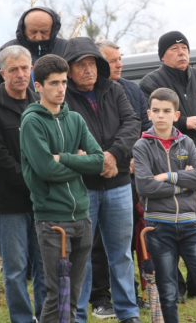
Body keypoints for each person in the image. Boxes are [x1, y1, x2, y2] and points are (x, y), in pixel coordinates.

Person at [139, 31, 196, 298]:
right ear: (163, 55)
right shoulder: (150, 83)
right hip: (163, 170)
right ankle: (173, 287)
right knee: (165, 230)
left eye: (185, 47)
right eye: (175, 48)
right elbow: (148, 119)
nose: (182, 52)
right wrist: (183, 122)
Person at [62, 37, 142, 323]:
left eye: (92, 64)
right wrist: (98, 161)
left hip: (119, 183)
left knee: (121, 253)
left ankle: (128, 313)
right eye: (80, 65)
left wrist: (113, 155)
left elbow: (132, 123)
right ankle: (78, 315)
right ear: (69, 70)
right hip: (84, 188)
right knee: (80, 256)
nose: (88, 70)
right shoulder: (64, 97)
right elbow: (65, 139)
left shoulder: (113, 90)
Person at [20, 54, 104, 323]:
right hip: (52, 219)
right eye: (53, 83)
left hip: (82, 217)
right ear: (38, 87)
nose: (60, 89)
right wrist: (80, 161)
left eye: (64, 82)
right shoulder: (32, 122)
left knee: (75, 295)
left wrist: (66, 158)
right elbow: (45, 169)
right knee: (56, 296)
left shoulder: (76, 119)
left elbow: (99, 160)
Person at [133, 87, 196, 323]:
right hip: (158, 228)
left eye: (166, 111)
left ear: (176, 114)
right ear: (149, 114)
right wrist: (184, 184)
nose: (161, 115)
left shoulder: (187, 143)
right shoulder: (142, 146)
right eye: (156, 110)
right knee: (168, 294)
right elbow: (145, 187)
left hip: (190, 226)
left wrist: (167, 177)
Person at [0, 45, 46, 323]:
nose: (20, 74)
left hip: (44, 202)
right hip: (10, 204)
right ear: (2, 72)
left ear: (32, 70)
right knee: (15, 269)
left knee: (45, 266)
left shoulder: (42, 104)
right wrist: (33, 182)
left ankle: (47, 316)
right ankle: (21, 319)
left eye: (25, 68)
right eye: (13, 69)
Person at [88, 39, 151, 318]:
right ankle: (100, 297)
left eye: (120, 58)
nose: (119, 64)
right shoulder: (81, 94)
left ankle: (130, 299)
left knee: (124, 243)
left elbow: (140, 125)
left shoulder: (131, 90)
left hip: (126, 175)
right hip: (95, 176)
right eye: (112, 60)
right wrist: (105, 159)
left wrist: (134, 156)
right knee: (95, 244)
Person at [0, 6, 69, 100]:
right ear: (24, 29)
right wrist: (16, 105)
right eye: (33, 32)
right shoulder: (9, 50)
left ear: (53, 29)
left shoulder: (66, 48)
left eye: (44, 32)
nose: (38, 37)